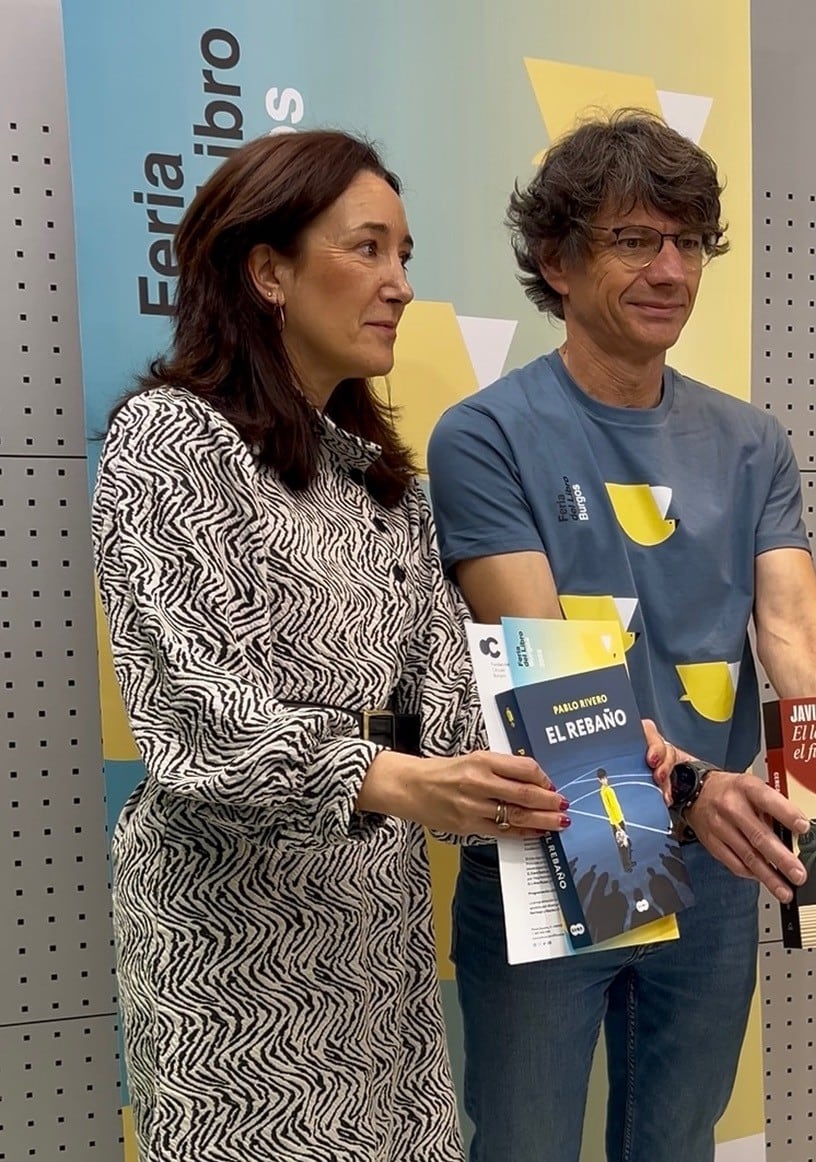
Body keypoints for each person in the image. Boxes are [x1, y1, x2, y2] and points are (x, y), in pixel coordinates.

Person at [427, 109, 816, 1162]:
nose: (670, 269)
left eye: (687, 240)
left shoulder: (750, 440)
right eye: (631, 240)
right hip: (558, 839)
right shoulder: (483, 434)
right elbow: (544, 654)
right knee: (521, 1144)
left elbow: (793, 624)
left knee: (677, 1141)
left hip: (708, 864)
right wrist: (697, 795)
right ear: (554, 261)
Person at [91, 129, 570, 1162]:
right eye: (367, 250)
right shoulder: (172, 439)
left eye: (405, 256)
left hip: (375, 953)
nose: (398, 284)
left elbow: (450, 709)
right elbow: (194, 716)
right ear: (267, 269)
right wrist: (395, 780)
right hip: (234, 965)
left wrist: (593, 761)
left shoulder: (386, 488)